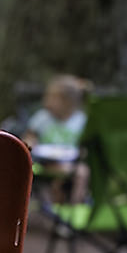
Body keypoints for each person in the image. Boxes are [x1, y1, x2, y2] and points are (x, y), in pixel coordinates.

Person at [23, 75, 91, 205]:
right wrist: (30, 143)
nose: (46, 101)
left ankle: (75, 205)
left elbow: (85, 145)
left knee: (83, 172)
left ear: (67, 102)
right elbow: (30, 137)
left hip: (73, 162)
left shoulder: (80, 121)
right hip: (45, 162)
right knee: (57, 171)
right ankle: (51, 208)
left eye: (52, 98)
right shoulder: (42, 118)